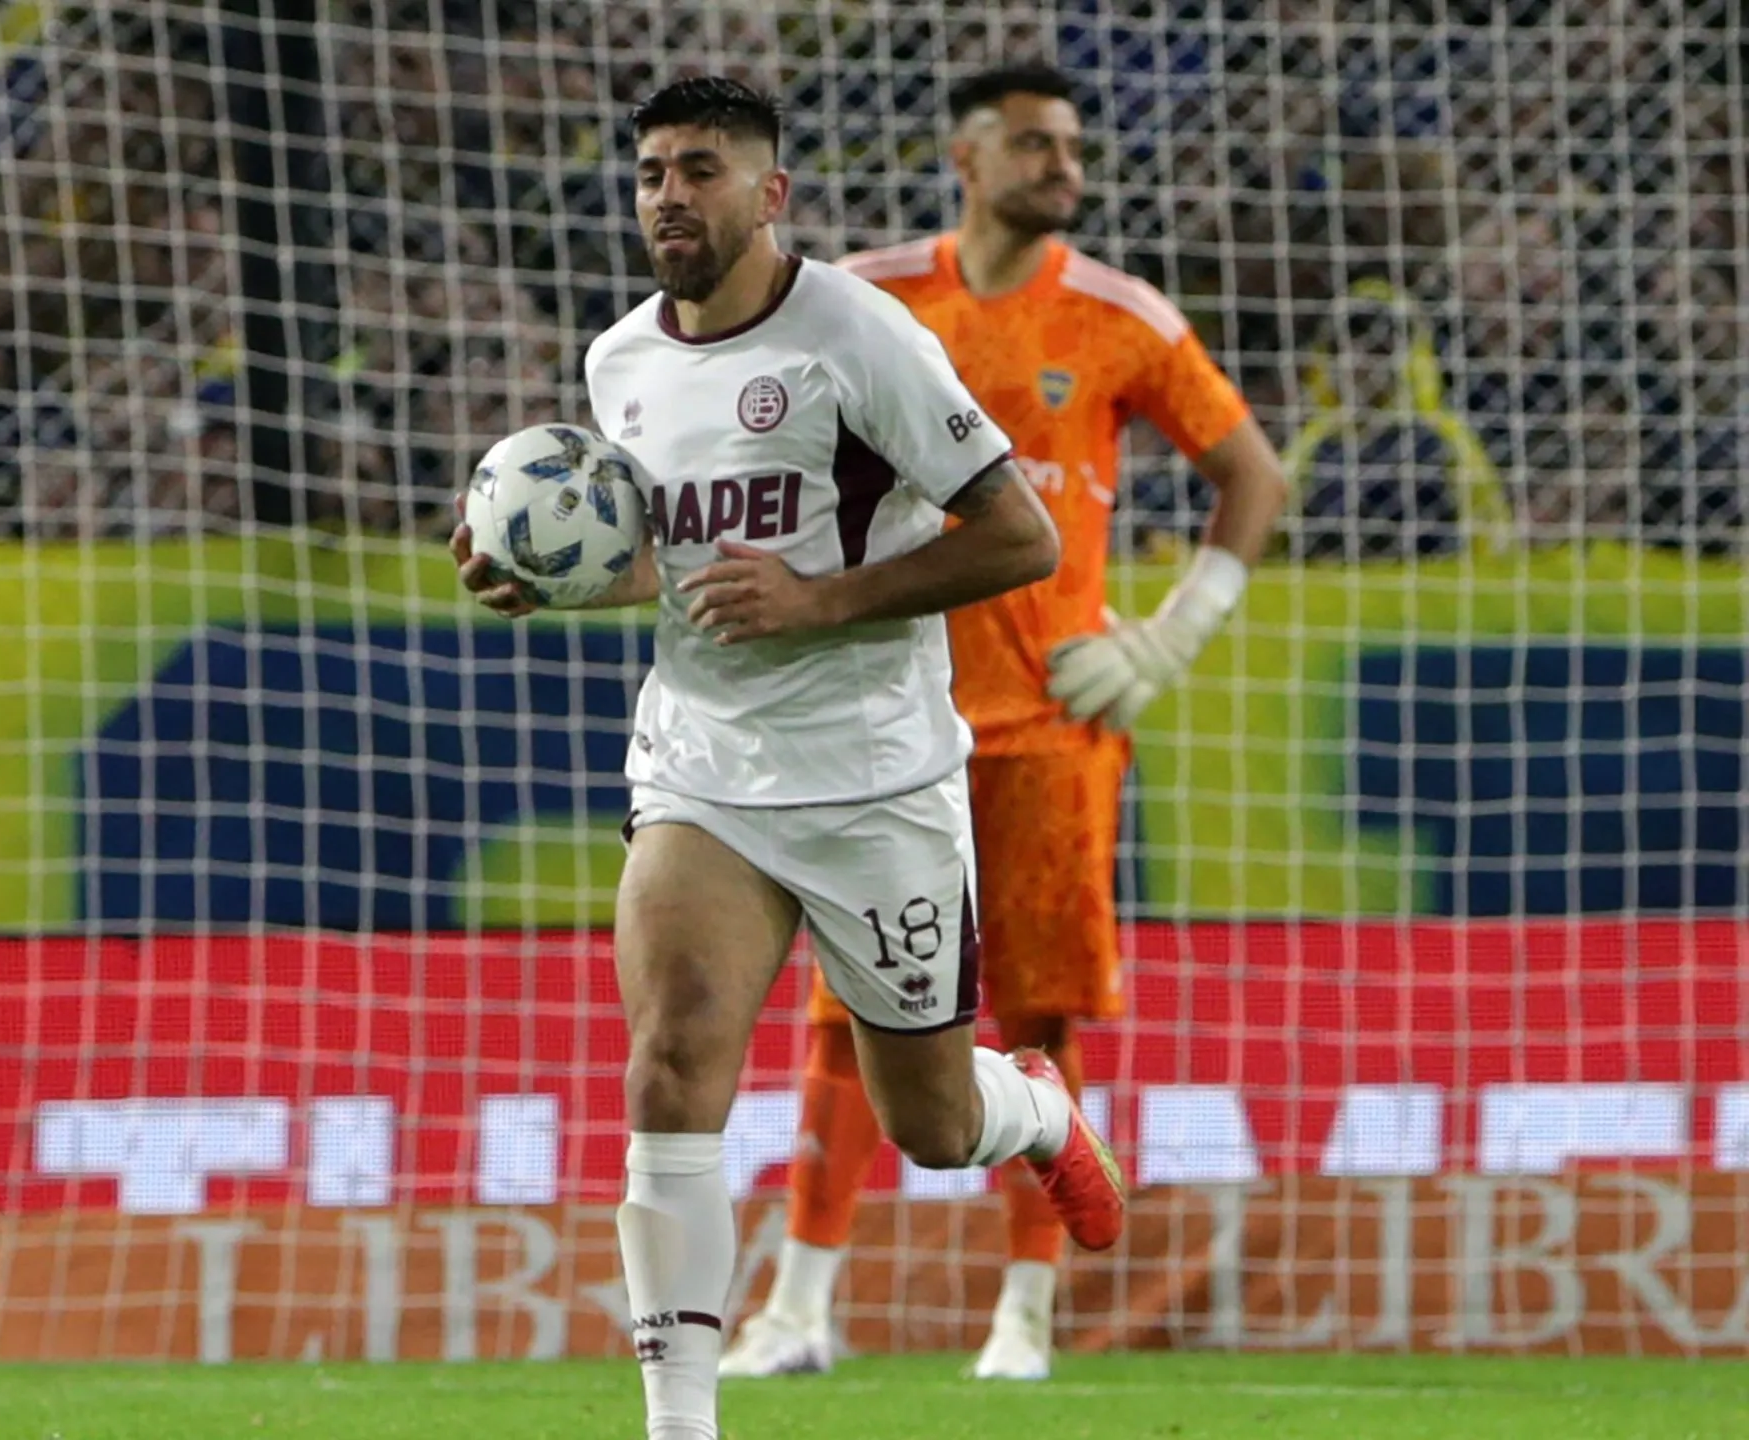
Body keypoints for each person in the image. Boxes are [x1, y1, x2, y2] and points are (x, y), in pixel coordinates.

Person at [451, 75, 1125, 1440]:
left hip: (877, 778)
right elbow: (670, 556)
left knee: (931, 1122)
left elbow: (1019, 538)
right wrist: (551, 576)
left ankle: (1036, 1110)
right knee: (669, 1069)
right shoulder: (617, 361)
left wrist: (820, 600)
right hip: (703, 766)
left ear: (770, 195)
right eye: (650, 171)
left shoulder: (858, 336)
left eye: (700, 170)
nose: (668, 197)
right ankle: (681, 1423)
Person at [720, 62, 1288, 1383]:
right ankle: (797, 1312)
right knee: (845, 1018)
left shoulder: (1118, 316)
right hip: (878, 721)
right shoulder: (860, 299)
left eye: (1072, 146)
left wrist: (1172, 635)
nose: (1064, 167)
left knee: (1037, 1013)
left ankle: (1022, 1320)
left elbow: (1249, 472)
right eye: (1035, 144)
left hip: (1045, 730)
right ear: (967, 159)